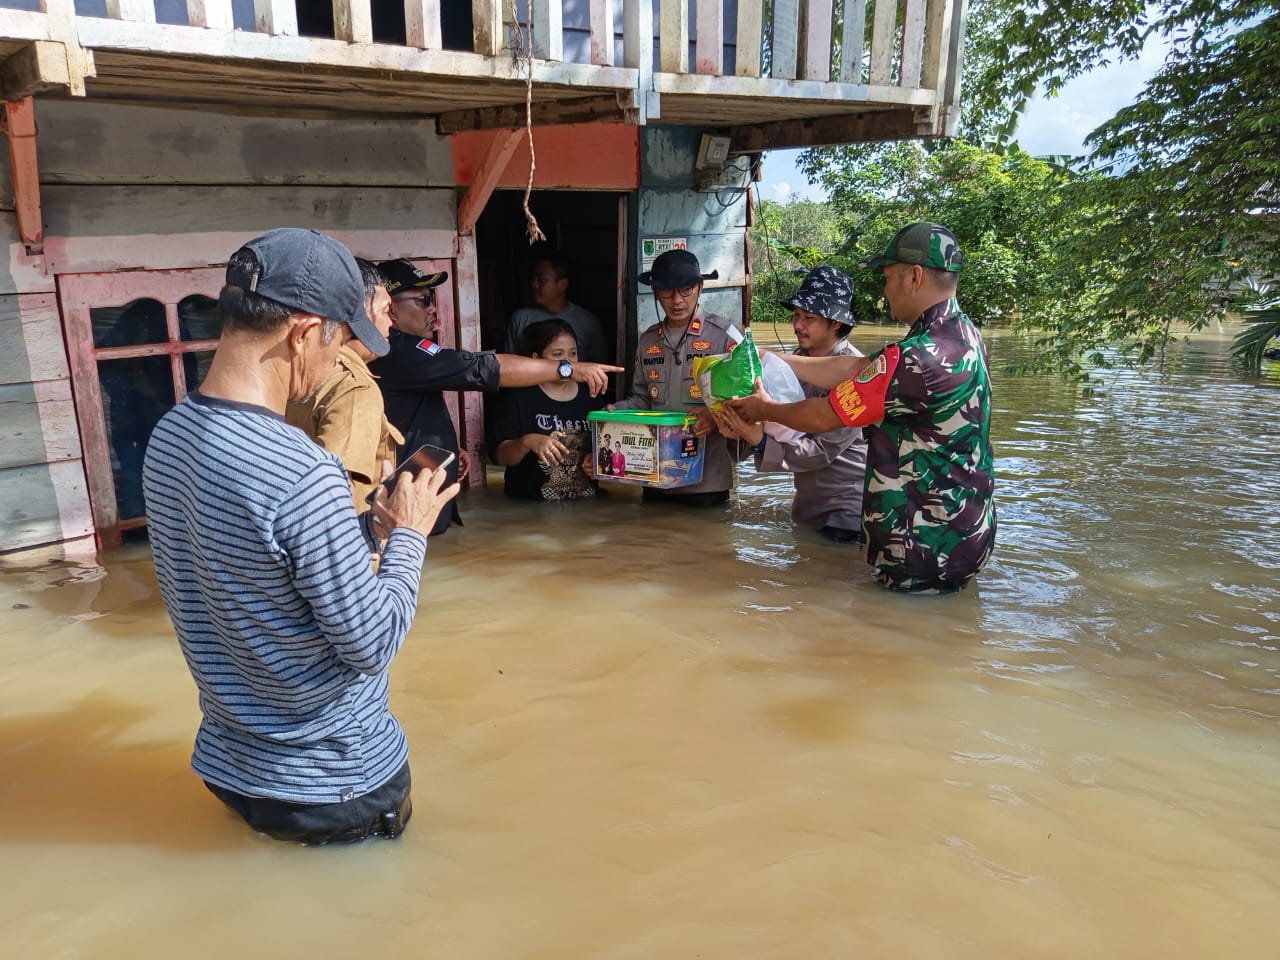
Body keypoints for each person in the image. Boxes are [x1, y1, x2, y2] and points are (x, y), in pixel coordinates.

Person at [142, 228, 461, 844]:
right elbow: (372, 643)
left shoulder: (170, 435)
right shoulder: (302, 470)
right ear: (304, 332)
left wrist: (366, 527)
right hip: (337, 783)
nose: (337, 358)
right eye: (339, 340)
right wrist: (408, 534)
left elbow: (254, 575)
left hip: (231, 768)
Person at [727, 223, 995, 593]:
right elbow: (855, 368)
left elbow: (822, 415)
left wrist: (764, 410)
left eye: (887, 278)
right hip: (966, 527)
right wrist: (771, 357)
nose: (884, 290)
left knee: (897, 626)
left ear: (915, 276)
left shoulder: (915, 358)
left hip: (922, 543)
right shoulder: (962, 334)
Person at [370, 258, 621, 533]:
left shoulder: (403, 352)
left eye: (432, 298)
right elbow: (482, 369)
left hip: (414, 513)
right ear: (389, 307)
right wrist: (567, 370)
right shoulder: (398, 350)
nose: (433, 308)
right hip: (401, 517)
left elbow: (408, 416)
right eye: (423, 300)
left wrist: (450, 448)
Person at [716, 267, 868, 543]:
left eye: (809, 318)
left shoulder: (856, 376)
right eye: (796, 315)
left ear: (836, 323)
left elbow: (821, 450)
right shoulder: (788, 364)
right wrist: (739, 432)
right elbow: (772, 422)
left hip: (846, 510)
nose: (798, 325)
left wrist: (759, 441)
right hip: (805, 505)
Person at [612, 249, 740, 507]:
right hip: (656, 476)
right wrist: (617, 412)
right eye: (667, 291)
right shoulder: (648, 341)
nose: (677, 300)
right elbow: (643, 400)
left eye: (686, 290)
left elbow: (749, 401)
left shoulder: (725, 336)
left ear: (699, 288)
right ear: (655, 292)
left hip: (706, 481)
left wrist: (712, 416)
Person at [285, 258, 402, 512]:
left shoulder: (299, 369)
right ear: (357, 313)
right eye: (385, 310)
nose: (390, 322)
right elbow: (337, 496)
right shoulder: (355, 389)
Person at [488, 319, 604, 500]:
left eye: (573, 353)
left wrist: (597, 464)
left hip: (586, 503)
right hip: (529, 505)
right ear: (536, 359)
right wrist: (527, 442)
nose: (568, 362)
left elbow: (606, 449)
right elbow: (500, 456)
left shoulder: (591, 394)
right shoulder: (518, 397)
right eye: (558, 354)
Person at [503, 253, 608, 363]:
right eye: (533, 279)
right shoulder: (520, 319)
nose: (534, 285)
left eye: (541, 280)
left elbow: (600, 364)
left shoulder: (587, 322)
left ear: (563, 284)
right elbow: (509, 364)